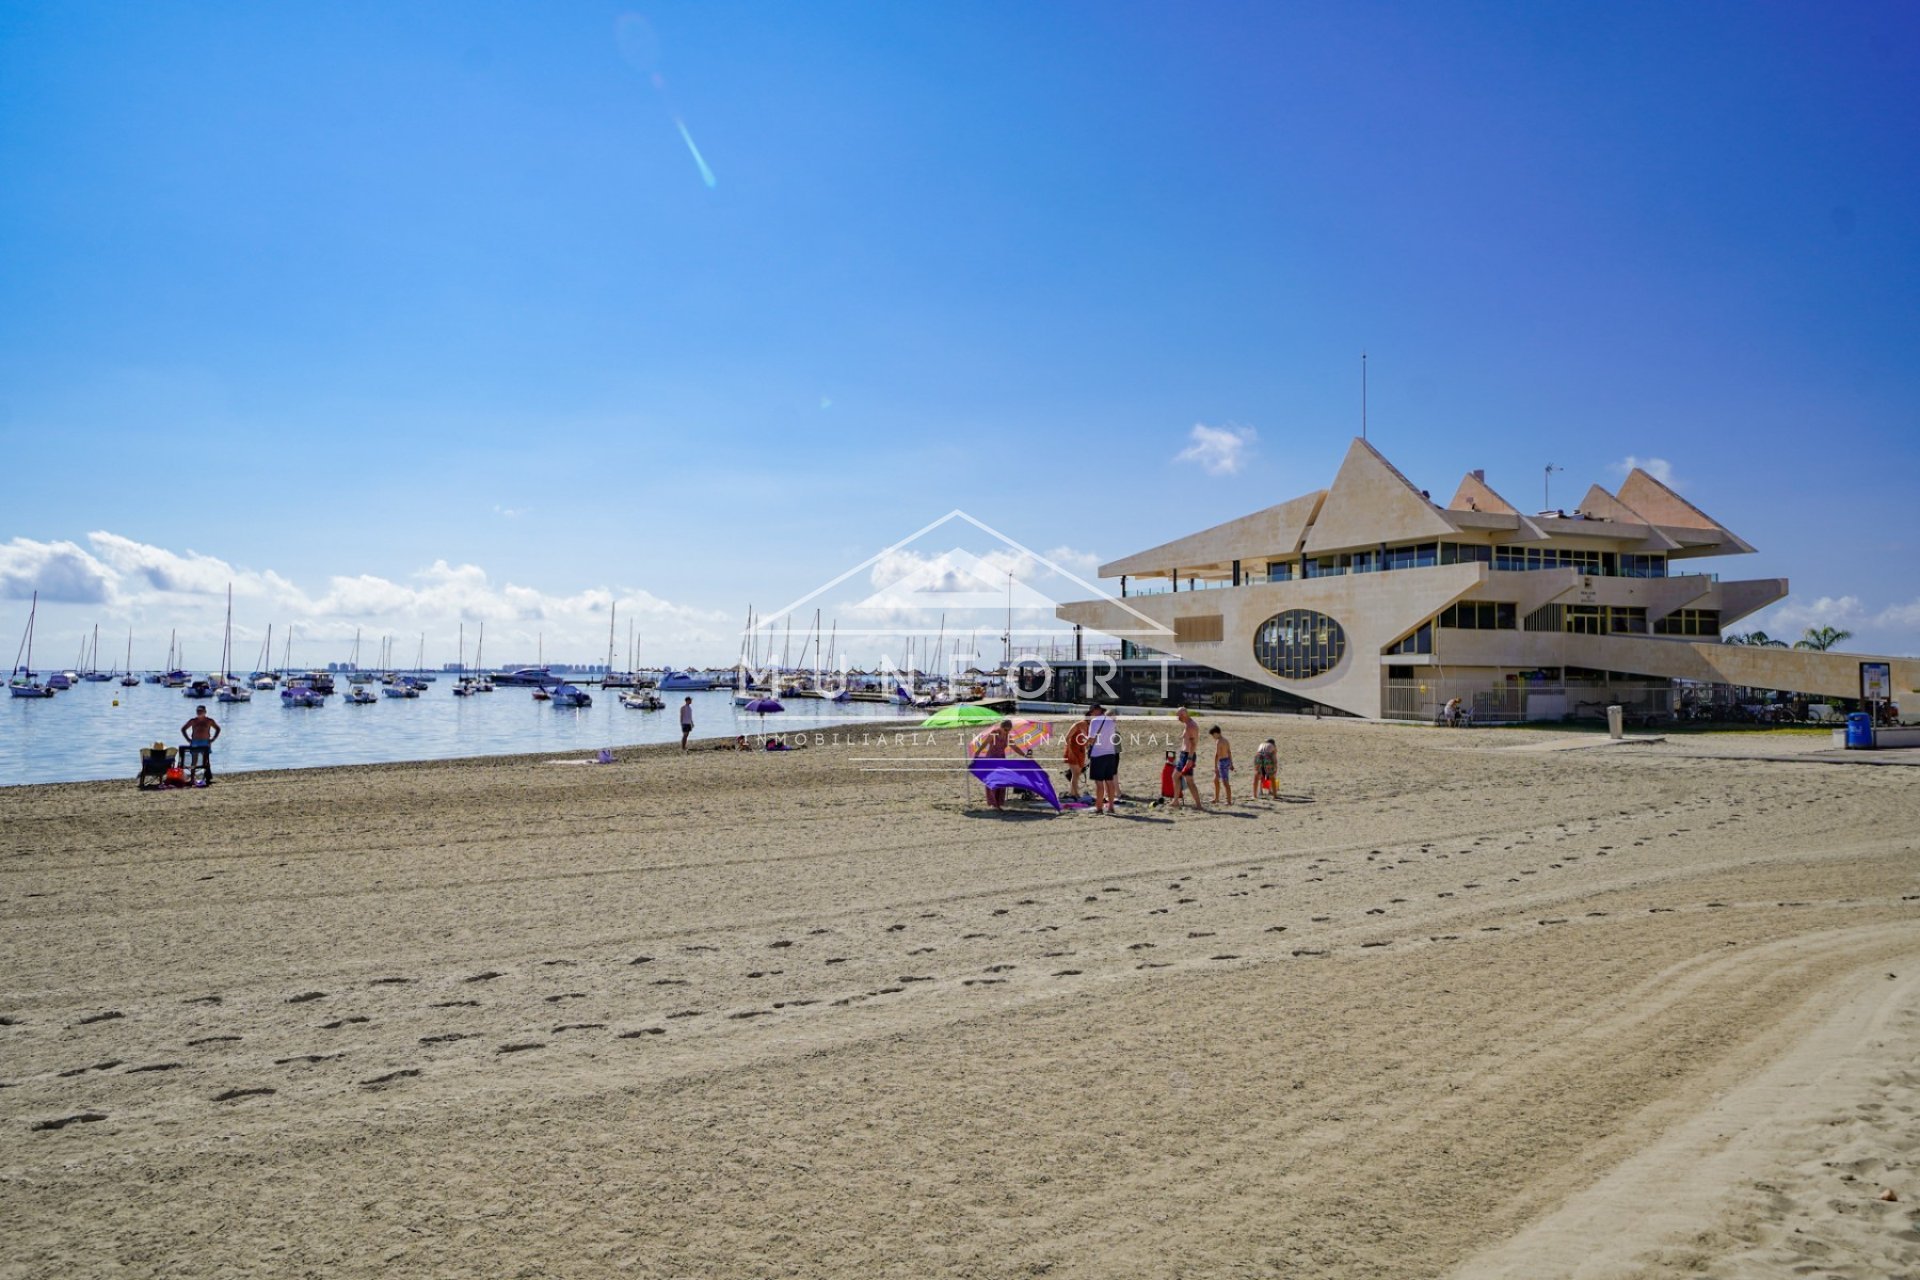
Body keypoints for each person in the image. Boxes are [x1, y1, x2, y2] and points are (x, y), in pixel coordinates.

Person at [1086, 702, 1120, 815]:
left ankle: (1099, 807)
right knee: (1109, 781)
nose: (1091, 714)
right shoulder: (1111, 721)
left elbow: (1091, 739)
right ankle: (1111, 807)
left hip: (1098, 754)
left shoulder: (1095, 721)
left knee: (1099, 783)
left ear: (1096, 711)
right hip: (1110, 753)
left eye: (1091, 712)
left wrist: (1086, 742)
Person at [1173, 707, 1205, 810]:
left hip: (1188, 756)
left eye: (1179, 716)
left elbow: (1193, 744)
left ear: (1184, 715)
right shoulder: (1187, 724)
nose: (1178, 718)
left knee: (1189, 781)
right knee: (1176, 776)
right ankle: (1176, 801)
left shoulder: (1191, 726)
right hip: (1184, 755)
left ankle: (1198, 804)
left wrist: (1189, 759)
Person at [180, 704, 221, 782]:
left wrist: (213, 739)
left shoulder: (209, 721)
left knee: (206, 761)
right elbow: (183, 729)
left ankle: (207, 778)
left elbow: (218, 729)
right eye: (198, 711)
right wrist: (188, 739)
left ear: (205, 712)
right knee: (194, 761)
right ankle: (192, 778)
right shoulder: (193, 721)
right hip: (195, 742)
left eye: (201, 711)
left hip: (205, 742)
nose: (199, 712)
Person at [978, 719, 1012, 811]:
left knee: (1001, 781)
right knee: (993, 781)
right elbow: (985, 743)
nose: (1007, 731)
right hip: (991, 759)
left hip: (1001, 759)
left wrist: (1024, 755)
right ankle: (993, 804)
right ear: (1001, 727)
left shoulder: (1008, 736)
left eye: (1009, 730)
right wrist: (977, 753)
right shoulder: (994, 733)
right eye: (1006, 729)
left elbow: (1014, 747)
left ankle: (998, 803)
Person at [1063, 711, 1091, 801]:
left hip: (1081, 751)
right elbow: (1067, 738)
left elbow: (1084, 740)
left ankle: (1072, 793)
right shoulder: (1077, 725)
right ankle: (1076, 794)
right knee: (1075, 774)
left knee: (1077, 774)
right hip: (1073, 750)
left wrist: (1087, 747)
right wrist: (1070, 751)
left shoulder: (1089, 727)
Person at [1209, 725, 1233, 804]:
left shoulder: (1219, 741)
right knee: (1216, 780)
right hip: (1226, 760)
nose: (1213, 737)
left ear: (1216, 733)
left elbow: (1217, 755)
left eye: (1213, 735)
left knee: (1225, 782)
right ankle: (1216, 798)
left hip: (1222, 762)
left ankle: (1229, 801)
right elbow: (1229, 752)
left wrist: (1215, 766)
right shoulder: (1226, 740)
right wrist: (1231, 763)